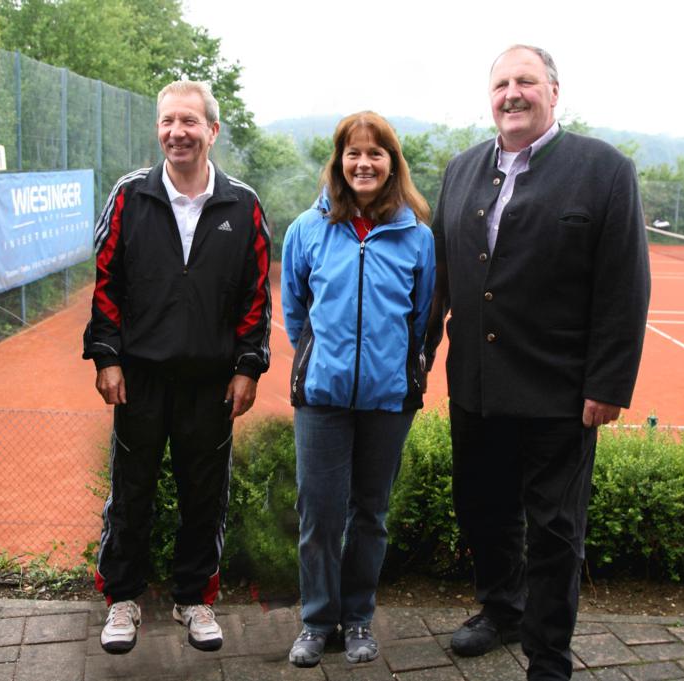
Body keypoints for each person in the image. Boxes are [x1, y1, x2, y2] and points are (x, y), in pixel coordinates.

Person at [424, 45, 650, 681]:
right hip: (475, 387)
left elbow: (624, 286)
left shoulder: (604, 170)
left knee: (554, 532)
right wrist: (419, 358)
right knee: (483, 510)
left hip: (559, 392)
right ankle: (503, 610)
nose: (512, 94)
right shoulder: (461, 169)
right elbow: (441, 276)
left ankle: (548, 657)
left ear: (554, 91)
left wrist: (608, 384)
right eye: (501, 84)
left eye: (525, 81)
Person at [82, 80, 271, 655]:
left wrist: (248, 366)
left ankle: (195, 599)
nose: (177, 132)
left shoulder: (243, 205)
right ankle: (122, 599)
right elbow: (106, 280)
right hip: (139, 379)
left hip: (211, 384)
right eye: (168, 121)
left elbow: (256, 295)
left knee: (204, 497)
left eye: (189, 121)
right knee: (130, 493)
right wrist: (107, 357)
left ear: (212, 130)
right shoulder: (128, 195)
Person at [280, 111, 435, 668]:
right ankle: (317, 622)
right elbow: (296, 311)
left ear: (392, 163)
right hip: (322, 398)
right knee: (319, 516)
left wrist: (391, 366)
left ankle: (358, 618)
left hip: (387, 400)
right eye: (353, 153)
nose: (363, 163)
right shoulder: (306, 229)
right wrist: (324, 361)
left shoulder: (417, 237)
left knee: (370, 514)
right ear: (339, 161)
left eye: (375, 153)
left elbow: (422, 317)